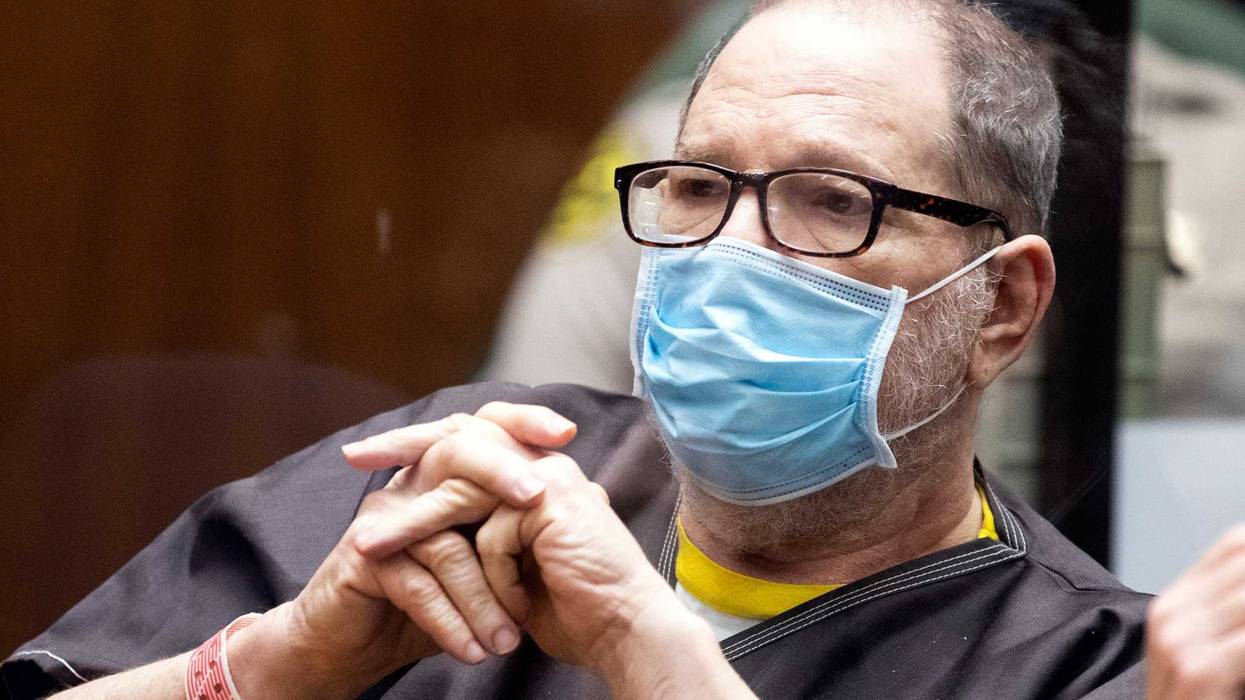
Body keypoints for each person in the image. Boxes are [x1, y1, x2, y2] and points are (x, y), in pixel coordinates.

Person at [5, 1, 1244, 698]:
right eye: (698, 188)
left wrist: (655, 657)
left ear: (1003, 307)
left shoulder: (1091, 668)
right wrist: (285, 659)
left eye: (830, 201)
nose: (732, 252)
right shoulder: (467, 478)